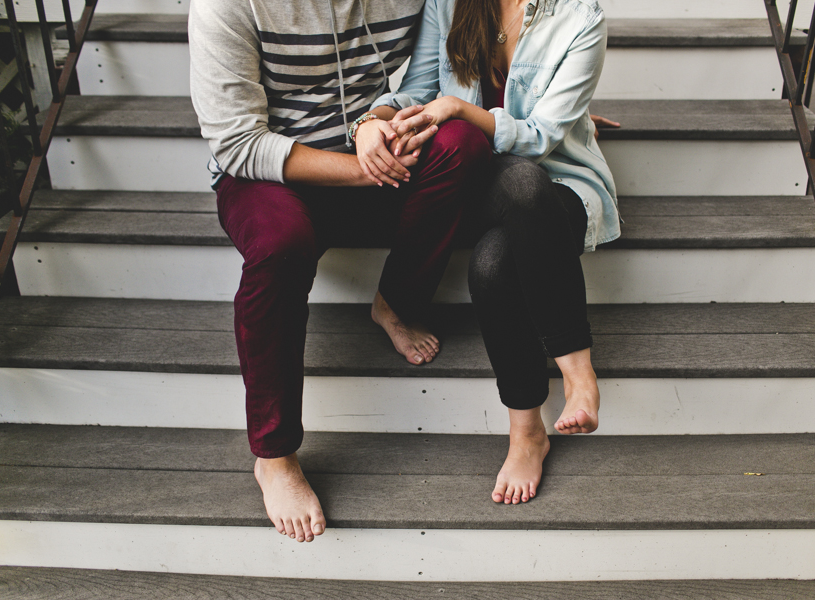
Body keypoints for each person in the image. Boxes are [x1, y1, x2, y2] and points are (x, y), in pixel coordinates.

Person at [188, 0, 492, 542]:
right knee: (281, 244)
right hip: (270, 173)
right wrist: (363, 168)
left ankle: (395, 304)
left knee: (462, 143)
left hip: (370, 149)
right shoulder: (227, 5)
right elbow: (238, 144)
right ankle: (275, 456)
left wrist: (547, 110)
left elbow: (458, 54)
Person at [356, 0, 621, 506]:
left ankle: (527, 433)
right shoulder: (449, 3)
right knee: (518, 185)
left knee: (494, 263)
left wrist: (461, 108)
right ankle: (577, 371)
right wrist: (375, 119)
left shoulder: (581, 18)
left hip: (561, 184)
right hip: (478, 179)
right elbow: (417, 89)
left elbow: (541, 138)